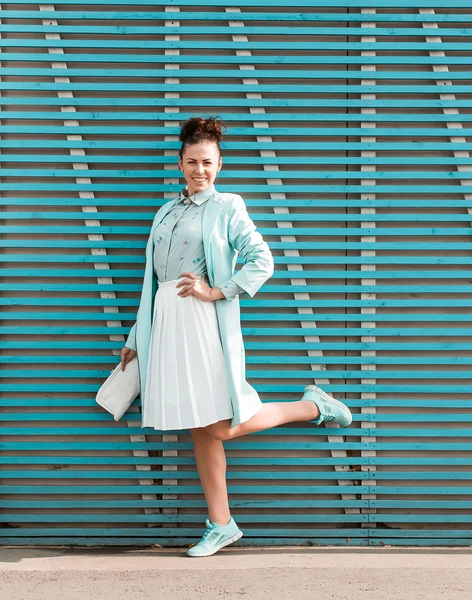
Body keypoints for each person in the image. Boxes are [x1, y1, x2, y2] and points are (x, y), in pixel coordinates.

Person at [119, 116, 353, 557]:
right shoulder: (165, 211)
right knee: (199, 428)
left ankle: (313, 406)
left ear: (219, 164)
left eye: (207, 162)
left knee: (221, 426)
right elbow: (151, 281)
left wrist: (216, 290)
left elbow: (261, 259)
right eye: (192, 162)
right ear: (180, 162)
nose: (199, 170)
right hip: (165, 322)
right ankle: (221, 523)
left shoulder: (227, 205)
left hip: (201, 322)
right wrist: (137, 334)